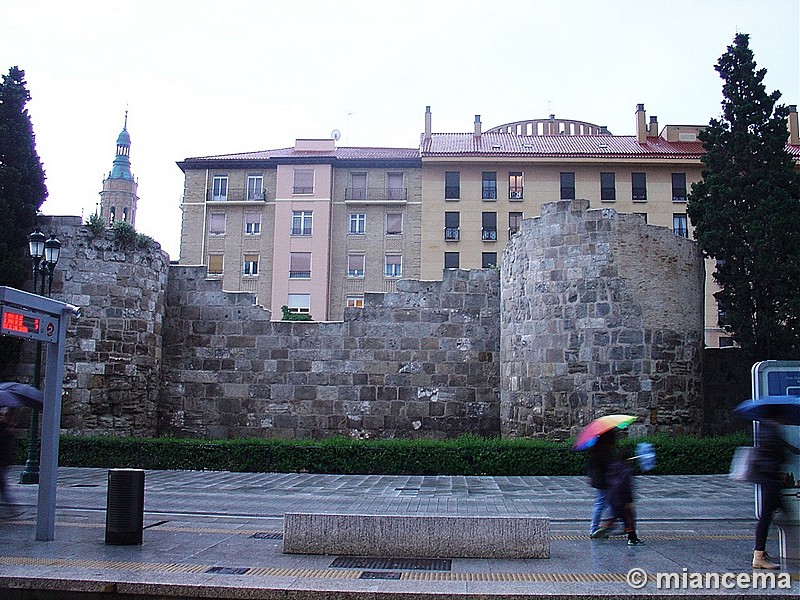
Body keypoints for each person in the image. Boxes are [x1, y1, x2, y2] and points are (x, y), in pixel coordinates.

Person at [749, 409, 800, 569]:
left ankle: (760, 552)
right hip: (769, 479)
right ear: (776, 416)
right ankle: (759, 554)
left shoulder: (767, 429)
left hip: (768, 479)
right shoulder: (771, 432)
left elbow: (787, 449)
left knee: (781, 513)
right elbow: (782, 454)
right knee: (767, 518)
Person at [594, 446, 644, 546]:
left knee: (616, 516)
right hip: (623, 498)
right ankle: (632, 538)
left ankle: (604, 527)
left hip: (613, 497)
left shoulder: (613, 466)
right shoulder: (627, 469)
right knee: (629, 519)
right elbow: (626, 486)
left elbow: (609, 480)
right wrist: (629, 501)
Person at [586, 429, 615, 538]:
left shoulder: (597, 447)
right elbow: (608, 465)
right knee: (604, 503)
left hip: (599, 480)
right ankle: (596, 528)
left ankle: (598, 528)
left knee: (603, 503)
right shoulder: (604, 450)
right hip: (604, 480)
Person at [0, 408, 17, 512]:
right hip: (2, 459)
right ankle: (9, 504)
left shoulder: (8, 428)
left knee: (2, 482)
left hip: (4, 460)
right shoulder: (2, 427)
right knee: (2, 483)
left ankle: (9, 504)